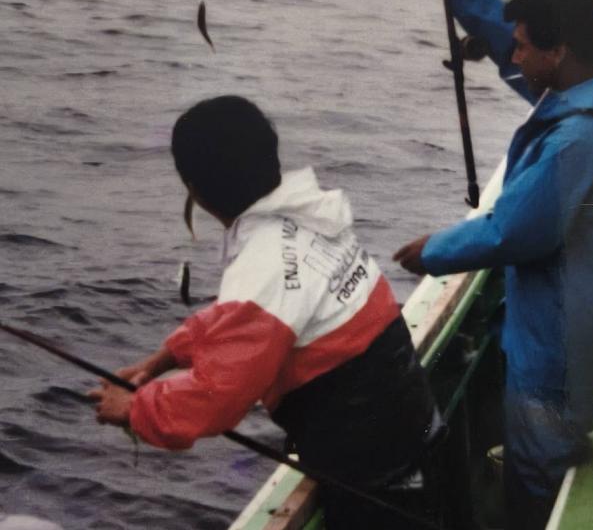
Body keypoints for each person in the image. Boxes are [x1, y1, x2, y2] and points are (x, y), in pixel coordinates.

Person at [394, 0, 593, 530]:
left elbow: (511, 230)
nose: (511, 55)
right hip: (588, 325)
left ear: (558, 52)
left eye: (522, 46)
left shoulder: (577, 143)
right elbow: (530, 70)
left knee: (536, 480)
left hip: (557, 349)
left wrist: (431, 251)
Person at [89, 95, 439, 530]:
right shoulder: (310, 216)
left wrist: (134, 409)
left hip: (372, 471)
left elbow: (217, 397)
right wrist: (162, 360)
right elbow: (251, 317)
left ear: (194, 191)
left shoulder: (262, 263)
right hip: (413, 426)